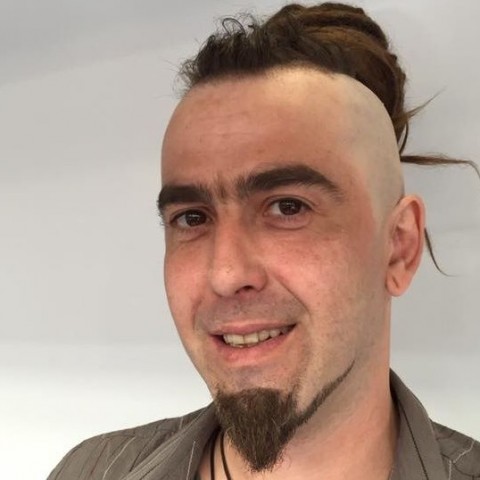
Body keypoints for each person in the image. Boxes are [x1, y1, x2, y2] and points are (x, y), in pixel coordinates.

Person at [47, 2, 480, 479]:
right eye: (192, 218)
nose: (226, 274)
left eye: (287, 207)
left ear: (399, 248)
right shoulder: (90, 469)